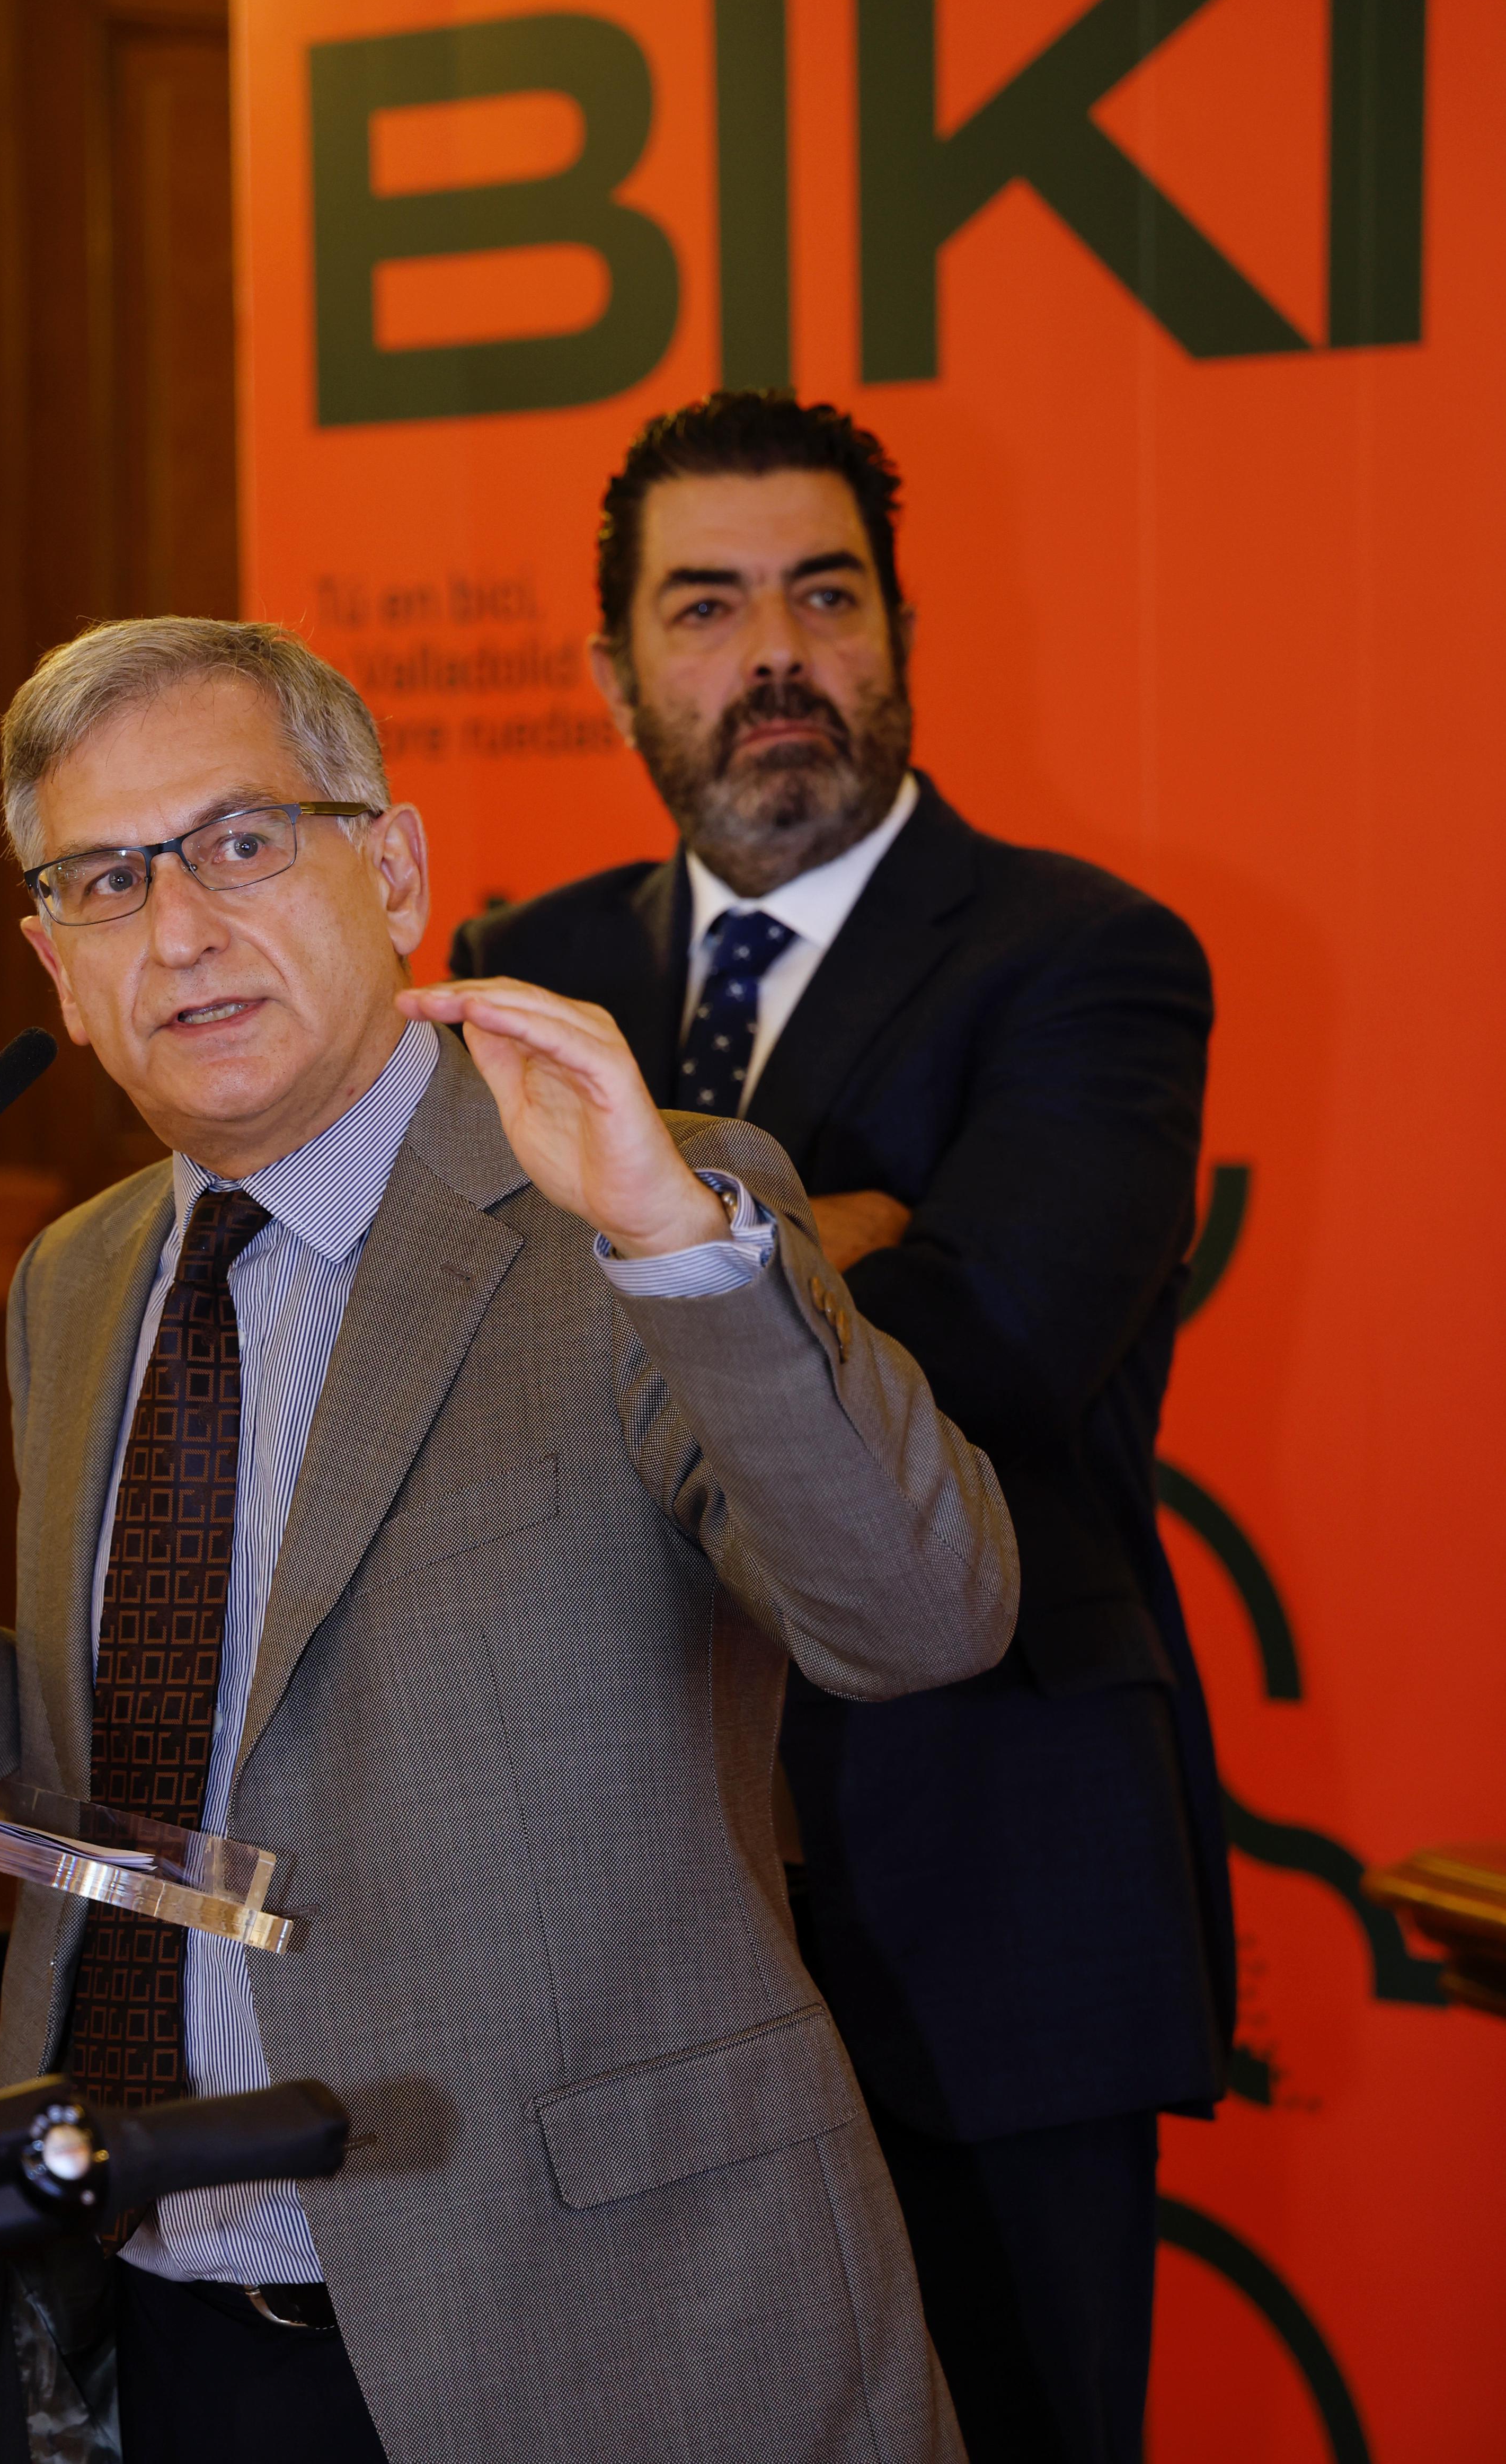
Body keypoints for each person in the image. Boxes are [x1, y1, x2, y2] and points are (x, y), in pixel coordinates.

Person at [0, 616, 1018, 2464]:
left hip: (591, 2319)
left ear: (392, 870)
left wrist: (677, 1250)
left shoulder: (636, 1201)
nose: (180, 930)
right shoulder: (76, 1277)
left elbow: (922, 1618)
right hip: (147, 2316)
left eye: (242, 843)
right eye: (107, 881)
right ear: (58, 968)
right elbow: (213, 1720)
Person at [452, 393, 1236, 2464]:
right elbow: (471, 1373)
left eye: (826, 595)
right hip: (623, 1912)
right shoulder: (522, 975)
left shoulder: (1088, 957)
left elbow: (991, 1348)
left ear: (896, 630)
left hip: (988, 1886)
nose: (777, 656)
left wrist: (680, 1246)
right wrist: (826, 1232)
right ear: (615, 669)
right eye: (706, 607)